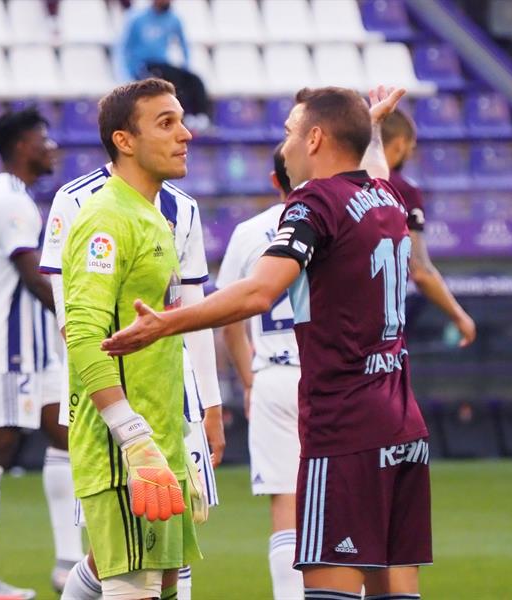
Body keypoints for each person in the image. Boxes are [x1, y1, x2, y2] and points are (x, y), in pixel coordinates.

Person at [104, 85, 434, 599]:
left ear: (316, 139)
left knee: (329, 589)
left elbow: (258, 291)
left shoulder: (313, 202)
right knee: (396, 592)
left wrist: (166, 324)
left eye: (289, 133)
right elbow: (369, 166)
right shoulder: (385, 196)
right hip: (402, 422)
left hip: (345, 426)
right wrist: (365, 122)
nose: (285, 147)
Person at [39, 108, 224, 600]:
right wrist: (133, 435)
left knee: (160, 583)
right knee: (131, 582)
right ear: (124, 139)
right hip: (126, 447)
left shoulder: (157, 214)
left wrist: (194, 415)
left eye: (182, 120)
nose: (185, 133)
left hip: (163, 430)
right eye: (166, 123)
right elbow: (80, 333)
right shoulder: (101, 217)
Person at [0, 108, 82, 600]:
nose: (51, 146)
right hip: (8, 346)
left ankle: (69, 564)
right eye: (42, 137)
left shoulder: (18, 197)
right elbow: (33, 277)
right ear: (18, 145)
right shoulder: (7, 199)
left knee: (68, 437)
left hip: (35, 348)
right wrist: (85, 321)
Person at [218, 143, 303, 600]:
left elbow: (229, 316)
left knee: (285, 504)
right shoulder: (340, 219)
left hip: (273, 375)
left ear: (275, 182)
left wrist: (250, 381)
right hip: (333, 380)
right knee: (347, 504)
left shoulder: (250, 232)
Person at [382, 109, 476, 346]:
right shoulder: (402, 190)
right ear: (401, 144)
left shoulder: (336, 182)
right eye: (411, 149)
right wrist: (458, 315)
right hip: (375, 328)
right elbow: (421, 271)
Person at [116, 0, 210, 128]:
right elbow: (123, 48)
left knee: (194, 79)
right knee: (170, 83)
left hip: (163, 63)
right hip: (144, 65)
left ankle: (201, 117)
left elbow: (184, 44)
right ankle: (182, 118)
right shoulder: (137, 18)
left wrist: (186, 66)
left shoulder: (173, 18)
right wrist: (128, 73)